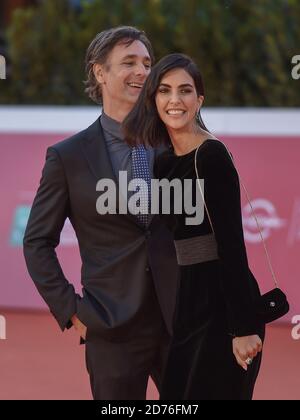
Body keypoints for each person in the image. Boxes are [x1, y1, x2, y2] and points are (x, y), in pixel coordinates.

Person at [23, 27, 179, 400]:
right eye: (129, 63)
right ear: (99, 72)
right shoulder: (68, 156)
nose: (143, 72)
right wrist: (73, 313)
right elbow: (37, 242)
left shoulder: (179, 143)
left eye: (147, 63)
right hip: (111, 328)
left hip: (180, 321)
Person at [123, 53, 265, 400]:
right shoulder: (163, 161)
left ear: (199, 99)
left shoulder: (212, 155)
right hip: (188, 302)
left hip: (224, 305)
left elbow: (231, 245)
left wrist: (243, 328)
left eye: (185, 91)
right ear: (153, 99)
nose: (175, 100)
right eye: (165, 91)